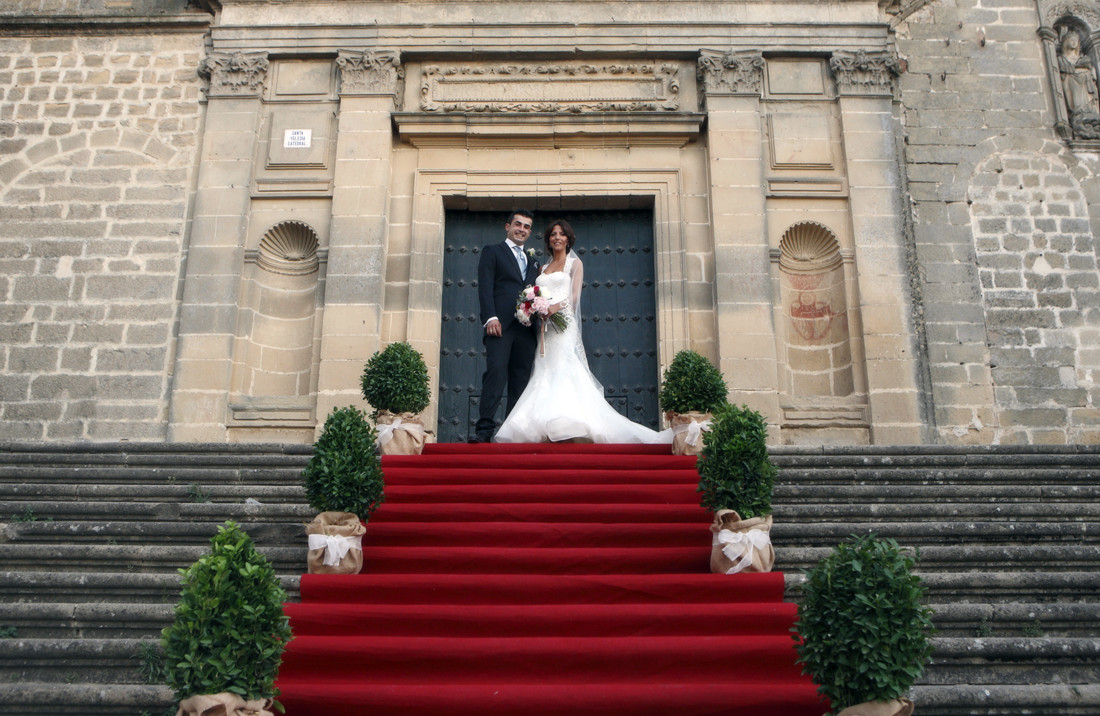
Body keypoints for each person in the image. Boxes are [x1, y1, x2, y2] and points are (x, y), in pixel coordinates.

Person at [494, 220, 671, 444]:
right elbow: (535, 292)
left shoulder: (575, 263)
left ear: (569, 238)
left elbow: (574, 295)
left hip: (563, 325)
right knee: (543, 369)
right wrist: (535, 308)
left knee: (563, 368)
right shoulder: (542, 268)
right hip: (545, 329)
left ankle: (568, 423)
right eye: (553, 234)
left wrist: (553, 308)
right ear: (548, 239)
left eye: (561, 234)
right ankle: (545, 424)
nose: (557, 238)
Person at [472, 209, 540, 443]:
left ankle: (513, 432)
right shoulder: (493, 252)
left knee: (520, 378)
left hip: (526, 328)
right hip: (500, 325)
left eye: (527, 226)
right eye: (518, 224)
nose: (522, 229)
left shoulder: (533, 261)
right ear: (507, 226)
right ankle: (484, 431)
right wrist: (490, 317)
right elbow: (485, 285)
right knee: (496, 372)